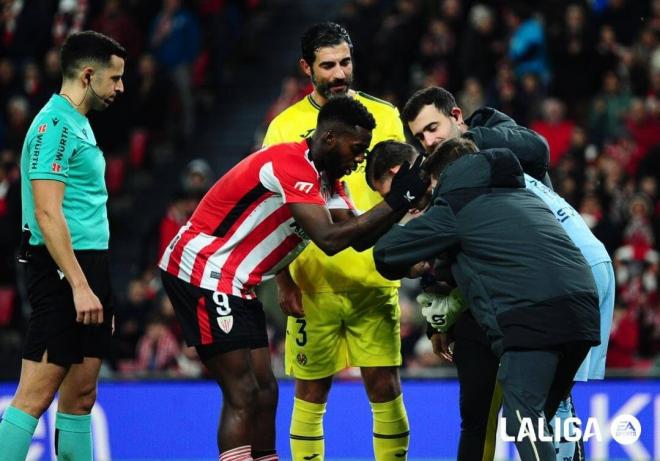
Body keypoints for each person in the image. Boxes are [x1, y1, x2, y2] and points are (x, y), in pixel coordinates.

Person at [159, 96, 428, 461]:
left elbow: (359, 235)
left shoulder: (328, 180)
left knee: (266, 390)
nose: (361, 158)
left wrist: (402, 207)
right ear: (330, 139)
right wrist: (397, 200)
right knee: (244, 393)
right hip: (203, 269)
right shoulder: (292, 164)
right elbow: (330, 240)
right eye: (357, 148)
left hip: (239, 281)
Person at [401, 86, 614, 461]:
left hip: (562, 270)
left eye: (433, 128)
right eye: (420, 136)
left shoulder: (489, 137)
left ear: (456, 117)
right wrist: (438, 321)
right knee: (541, 403)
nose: (428, 141)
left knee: (551, 402)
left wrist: (471, 140)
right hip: (546, 276)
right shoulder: (447, 178)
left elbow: (539, 151)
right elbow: (452, 250)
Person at [262, 22, 411, 461]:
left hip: (372, 277)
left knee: (385, 386)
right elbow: (274, 210)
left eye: (345, 61)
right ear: (307, 67)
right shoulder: (284, 127)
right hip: (312, 280)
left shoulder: (384, 116)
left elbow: (400, 193)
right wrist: (283, 281)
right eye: (328, 65)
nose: (339, 73)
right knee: (310, 391)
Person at [0, 31, 125, 460]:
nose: (120, 88)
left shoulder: (79, 123)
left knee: (82, 397)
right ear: (88, 75)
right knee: (34, 397)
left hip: (90, 268)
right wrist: (79, 285)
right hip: (60, 272)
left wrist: (98, 287)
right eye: (114, 78)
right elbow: (47, 213)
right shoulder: (53, 124)